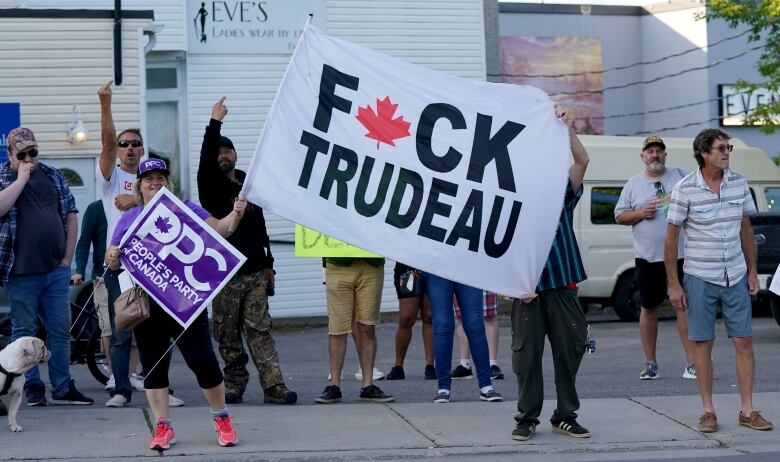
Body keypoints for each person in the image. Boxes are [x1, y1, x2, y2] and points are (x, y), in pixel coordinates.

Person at [105, 158, 245, 450]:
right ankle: (162, 426)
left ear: (167, 182)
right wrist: (113, 256)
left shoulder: (186, 209)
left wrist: (236, 214)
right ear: (139, 186)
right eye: (148, 179)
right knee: (153, 366)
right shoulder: (129, 218)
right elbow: (111, 260)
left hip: (185, 302)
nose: (155, 183)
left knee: (203, 361)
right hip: (148, 305)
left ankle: (222, 418)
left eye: (160, 178)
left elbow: (220, 230)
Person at [665, 128, 773, 434]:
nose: (727, 152)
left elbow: (746, 229)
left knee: (744, 341)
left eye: (728, 148)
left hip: (736, 274)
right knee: (703, 343)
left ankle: (748, 410)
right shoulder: (685, 188)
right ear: (703, 152)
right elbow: (671, 240)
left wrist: (752, 271)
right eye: (721, 148)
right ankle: (708, 411)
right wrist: (673, 283)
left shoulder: (739, 182)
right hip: (700, 276)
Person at [197, 97, 296, 405]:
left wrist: (269, 265)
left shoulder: (248, 184)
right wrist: (215, 122)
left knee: (260, 330)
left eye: (227, 150)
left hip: (254, 272)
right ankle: (234, 383)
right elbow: (205, 158)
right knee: (226, 333)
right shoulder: (209, 185)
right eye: (218, 152)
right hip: (225, 273)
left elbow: (260, 228)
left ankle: (274, 386)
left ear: (236, 155)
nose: (222, 155)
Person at [511, 105, 589, 441]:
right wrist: (511, 284)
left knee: (570, 349)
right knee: (526, 358)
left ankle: (565, 415)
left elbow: (582, 162)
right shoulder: (509, 194)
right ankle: (527, 416)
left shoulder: (561, 185)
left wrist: (566, 128)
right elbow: (498, 248)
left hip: (562, 281)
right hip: (527, 288)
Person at [0, 127, 93, 406]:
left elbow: (71, 215)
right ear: (10, 154)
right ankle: (31, 387)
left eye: (33, 152)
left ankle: (63, 387)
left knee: (60, 329)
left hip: (55, 269)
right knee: (24, 332)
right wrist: (21, 179)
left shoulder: (53, 175)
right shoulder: (4, 176)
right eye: (22, 154)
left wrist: (68, 259)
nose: (29, 158)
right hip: (20, 272)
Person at [614, 135, 696, 381]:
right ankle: (651, 364)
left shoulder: (681, 176)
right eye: (650, 151)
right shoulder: (633, 184)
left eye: (659, 151)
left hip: (681, 255)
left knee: (682, 305)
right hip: (648, 258)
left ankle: (692, 362)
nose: (655, 155)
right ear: (643, 157)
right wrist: (640, 213)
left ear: (665, 155)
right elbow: (619, 216)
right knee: (648, 307)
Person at [316, 257, 394, 404]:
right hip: (337, 263)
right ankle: (334, 385)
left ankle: (367, 385)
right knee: (337, 327)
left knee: (367, 326)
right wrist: (324, 268)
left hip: (371, 264)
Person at [425, 274, 502, 404]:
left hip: (467, 265)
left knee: (475, 325)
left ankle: (486, 386)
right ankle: (443, 388)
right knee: (442, 326)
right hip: (438, 266)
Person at [385, 263, 435, 380]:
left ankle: (430, 365)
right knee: (406, 318)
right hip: (407, 265)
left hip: (431, 264)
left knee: (429, 316)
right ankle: (398, 366)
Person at [451, 291, 504, 381]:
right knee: (460, 316)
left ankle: (492, 364)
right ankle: (465, 365)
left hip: (484, 277)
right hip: (460, 277)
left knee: (489, 315)